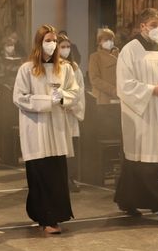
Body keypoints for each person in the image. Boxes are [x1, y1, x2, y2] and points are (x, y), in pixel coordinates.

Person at [13, 25, 79, 234]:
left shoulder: (65, 68)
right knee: (40, 174)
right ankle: (45, 218)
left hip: (57, 127)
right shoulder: (27, 69)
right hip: (37, 128)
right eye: (48, 40)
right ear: (39, 43)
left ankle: (57, 215)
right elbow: (19, 97)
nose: (52, 45)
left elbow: (74, 93)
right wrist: (46, 101)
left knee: (57, 175)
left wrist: (61, 98)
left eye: (54, 41)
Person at [115, 8, 158, 223]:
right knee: (141, 159)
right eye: (153, 25)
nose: (157, 29)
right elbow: (124, 85)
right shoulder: (129, 51)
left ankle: (130, 199)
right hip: (140, 113)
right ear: (142, 26)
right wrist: (151, 89)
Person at [57, 32, 86, 189]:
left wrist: (71, 105)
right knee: (59, 147)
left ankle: (70, 178)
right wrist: (61, 103)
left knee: (71, 148)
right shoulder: (52, 68)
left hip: (71, 113)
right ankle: (59, 179)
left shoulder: (75, 69)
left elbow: (79, 90)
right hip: (57, 113)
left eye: (68, 47)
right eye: (63, 47)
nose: (66, 49)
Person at [88, 28, 119, 103]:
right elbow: (94, 79)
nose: (109, 42)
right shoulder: (95, 57)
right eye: (106, 40)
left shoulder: (119, 56)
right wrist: (113, 90)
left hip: (119, 97)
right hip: (103, 97)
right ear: (99, 42)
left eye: (111, 40)